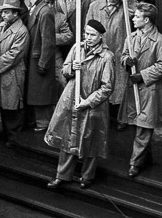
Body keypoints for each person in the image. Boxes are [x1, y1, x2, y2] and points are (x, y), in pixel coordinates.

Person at [45, 19, 114, 190]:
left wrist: (89, 101)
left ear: (100, 37)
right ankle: (62, 174)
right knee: (69, 135)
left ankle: (87, 176)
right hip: (72, 97)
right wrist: (71, 68)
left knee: (91, 139)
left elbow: (107, 87)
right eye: (86, 33)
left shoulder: (107, 57)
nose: (88, 38)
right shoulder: (77, 48)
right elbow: (65, 69)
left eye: (92, 35)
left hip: (93, 103)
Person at [121, 2, 162, 176]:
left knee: (144, 127)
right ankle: (144, 157)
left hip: (151, 90)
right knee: (137, 124)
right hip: (133, 88)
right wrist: (126, 61)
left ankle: (134, 163)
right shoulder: (131, 37)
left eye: (137, 16)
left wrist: (142, 75)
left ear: (147, 20)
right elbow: (123, 55)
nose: (133, 19)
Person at [86, 0, 133, 128]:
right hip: (100, 51)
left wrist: (128, 0)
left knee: (119, 86)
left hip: (118, 52)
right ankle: (99, 118)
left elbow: (137, 12)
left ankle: (120, 118)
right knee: (100, 83)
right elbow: (88, 27)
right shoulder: (95, 6)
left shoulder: (125, 8)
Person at [0, 0, 30, 148]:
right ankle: (6, 134)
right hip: (2, 71)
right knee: (3, 104)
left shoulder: (22, 31)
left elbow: (15, 54)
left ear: (15, 13)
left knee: (13, 105)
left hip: (13, 72)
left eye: (7, 12)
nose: (3, 15)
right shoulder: (1, 26)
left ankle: (14, 138)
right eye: (2, 12)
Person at [24, 0, 57, 131]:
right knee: (37, 92)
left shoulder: (44, 12)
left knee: (41, 92)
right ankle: (38, 120)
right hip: (34, 57)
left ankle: (44, 122)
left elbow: (48, 41)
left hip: (39, 58)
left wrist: (43, 63)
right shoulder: (38, 9)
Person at [53, 0, 89, 88]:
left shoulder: (84, 1)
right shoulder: (56, 1)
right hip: (61, 43)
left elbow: (85, 21)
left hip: (76, 42)